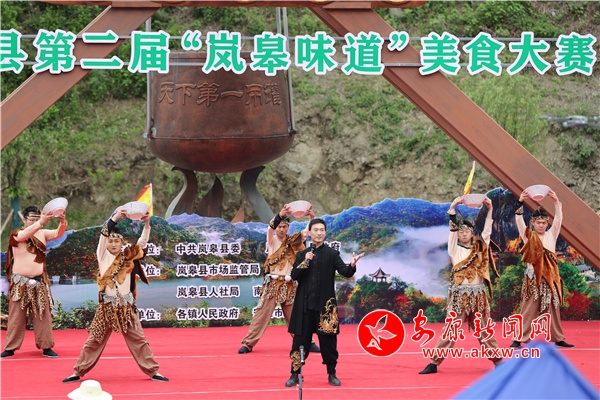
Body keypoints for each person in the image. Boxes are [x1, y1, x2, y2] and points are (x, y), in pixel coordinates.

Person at [62, 209, 168, 383]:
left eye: (116, 241)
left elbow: (142, 242)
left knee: (139, 340)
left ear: (122, 243)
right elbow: (104, 234)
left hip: (126, 307)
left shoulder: (129, 257)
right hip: (107, 307)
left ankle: (153, 371)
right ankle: (78, 371)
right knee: (94, 340)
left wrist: (147, 224)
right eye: (110, 241)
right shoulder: (102, 256)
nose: (112, 244)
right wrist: (115, 218)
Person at [419, 196, 502, 374]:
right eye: (461, 231)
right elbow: (452, 228)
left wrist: (490, 209)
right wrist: (453, 208)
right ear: (457, 234)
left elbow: (487, 232)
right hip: (459, 296)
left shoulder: (480, 248)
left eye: (467, 231)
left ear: (472, 234)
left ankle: (499, 361)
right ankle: (434, 363)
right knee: (451, 328)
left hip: (477, 295)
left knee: (484, 329)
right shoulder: (454, 249)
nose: (464, 234)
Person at [284, 218, 364, 387]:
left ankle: (332, 373)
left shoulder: (331, 254)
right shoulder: (302, 254)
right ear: (310, 233)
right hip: (304, 306)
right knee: (299, 342)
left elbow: (345, 271)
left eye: (322, 230)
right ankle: (295, 374)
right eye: (316, 230)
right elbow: (295, 275)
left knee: (328, 343)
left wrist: (352, 265)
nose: (319, 233)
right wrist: (306, 261)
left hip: (325, 308)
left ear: (325, 233)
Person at [239, 204, 320, 354]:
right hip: (273, 283)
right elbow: (270, 227)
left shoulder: (293, 241)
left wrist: (311, 217)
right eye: (280, 226)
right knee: (262, 315)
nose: (281, 229)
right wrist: (280, 215)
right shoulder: (271, 240)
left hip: (289, 284)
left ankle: (308, 342)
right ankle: (248, 344)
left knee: (297, 316)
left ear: (288, 227)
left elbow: (307, 232)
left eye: (284, 226)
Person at [510, 189, 574, 348]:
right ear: (533, 223)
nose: (541, 225)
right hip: (533, 278)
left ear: (547, 224)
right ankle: (518, 338)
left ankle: (558, 338)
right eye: (538, 222)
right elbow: (519, 220)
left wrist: (556, 202)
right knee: (528, 309)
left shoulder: (552, 234)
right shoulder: (528, 236)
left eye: (544, 222)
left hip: (550, 278)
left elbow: (558, 220)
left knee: (553, 308)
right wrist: (520, 202)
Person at [1, 205, 67, 358]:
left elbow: (58, 233)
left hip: (39, 282)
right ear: (24, 219)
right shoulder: (16, 234)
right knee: (16, 316)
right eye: (32, 219)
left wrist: (62, 222)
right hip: (20, 283)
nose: (36, 221)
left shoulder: (42, 233)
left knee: (43, 315)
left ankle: (46, 346)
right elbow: (23, 236)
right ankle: (10, 347)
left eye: (38, 218)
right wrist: (41, 222)